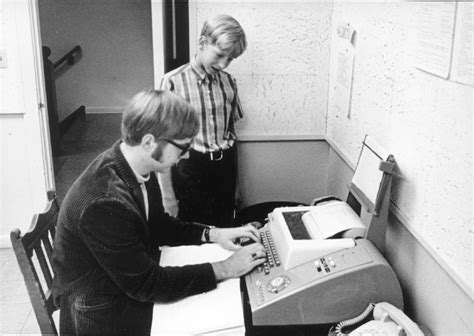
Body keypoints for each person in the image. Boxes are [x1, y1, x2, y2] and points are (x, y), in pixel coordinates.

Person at [51, 89, 266, 336]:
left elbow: (158, 226)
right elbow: (147, 284)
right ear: (149, 142)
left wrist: (215, 234)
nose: (186, 155)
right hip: (102, 316)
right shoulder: (104, 200)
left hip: (123, 288)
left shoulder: (134, 164)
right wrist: (226, 268)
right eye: (182, 147)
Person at [159, 14, 246, 228]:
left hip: (224, 170)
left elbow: (231, 132)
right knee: (194, 235)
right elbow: (162, 144)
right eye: (220, 54)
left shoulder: (229, 83)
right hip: (190, 171)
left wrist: (236, 184)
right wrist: (168, 197)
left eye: (231, 59)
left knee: (226, 231)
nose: (224, 64)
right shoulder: (172, 83)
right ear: (202, 43)